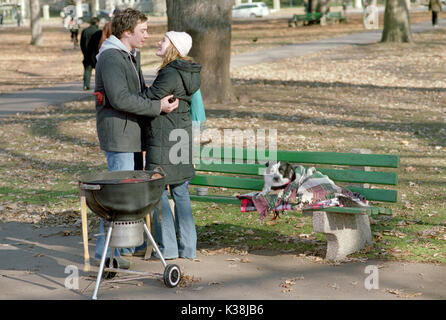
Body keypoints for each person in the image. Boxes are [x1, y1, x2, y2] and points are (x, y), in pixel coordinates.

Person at [93, 8, 179, 267]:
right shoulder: (111, 57)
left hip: (131, 135)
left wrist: (159, 96)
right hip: (119, 137)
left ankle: (126, 246)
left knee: (130, 193)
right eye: (143, 30)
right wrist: (157, 107)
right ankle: (105, 254)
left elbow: (137, 92)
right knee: (117, 197)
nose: (147, 35)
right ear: (127, 32)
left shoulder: (128, 55)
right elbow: (120, 98)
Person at [140, 31, 201, 260]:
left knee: (159, 191)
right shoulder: (188, 73)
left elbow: (149, 99)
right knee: (180, 192)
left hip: (163, 138)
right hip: (180, 136)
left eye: (164, 40)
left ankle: (168, 249)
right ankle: (188, 248)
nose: (158, 42)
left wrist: (142, 92)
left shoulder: (170, 73)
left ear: (174, 46)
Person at [80, 17, 99, 90]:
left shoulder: (85, 31)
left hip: (87, 53)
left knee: (87, 70)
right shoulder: (98, 31)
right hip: (96, 54)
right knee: (98, 71)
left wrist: (84, 52)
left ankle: (86, 85)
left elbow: (81, 43)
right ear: (97, 23)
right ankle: (98, 86)